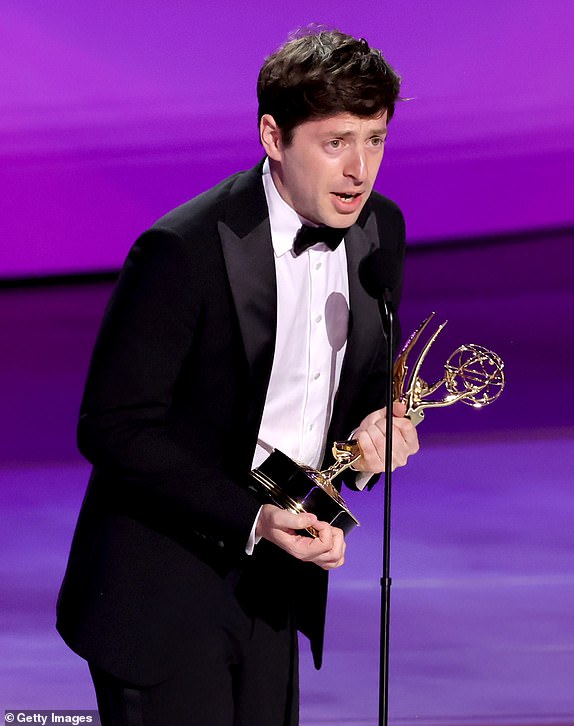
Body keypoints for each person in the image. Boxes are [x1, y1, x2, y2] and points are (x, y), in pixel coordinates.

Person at [57, 26, 420, 726]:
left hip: (278, 581)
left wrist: (380, 430)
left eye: (374, 139)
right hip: (161, 587)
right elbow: (112, 426)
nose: (360, 170)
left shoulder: (380, 230)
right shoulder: (183, 251)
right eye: (335, 141)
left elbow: (366, 381)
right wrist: (252, 515)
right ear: (272, 136)